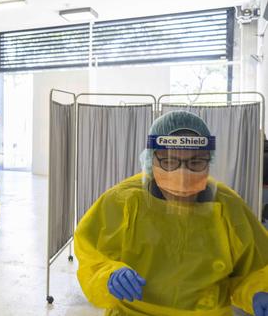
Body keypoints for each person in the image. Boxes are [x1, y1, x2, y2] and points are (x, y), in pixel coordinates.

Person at [75, 110, 268, 316]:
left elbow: (254, 268)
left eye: (195, 162)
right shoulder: (123, 201)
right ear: (151, 160)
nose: (182, 176)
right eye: (169, 162)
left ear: (209, 161)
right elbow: (92, 256)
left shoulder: (228, 207)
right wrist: (109, 275)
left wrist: (257, 291)